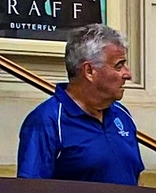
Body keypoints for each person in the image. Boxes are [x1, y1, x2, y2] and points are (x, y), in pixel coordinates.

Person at [17, 24, 140, 183]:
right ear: (89, 71)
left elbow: (136, 177)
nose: (128, 74)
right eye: (119, 65)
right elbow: (31, 192)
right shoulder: (48, 121)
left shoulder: (122, 115)